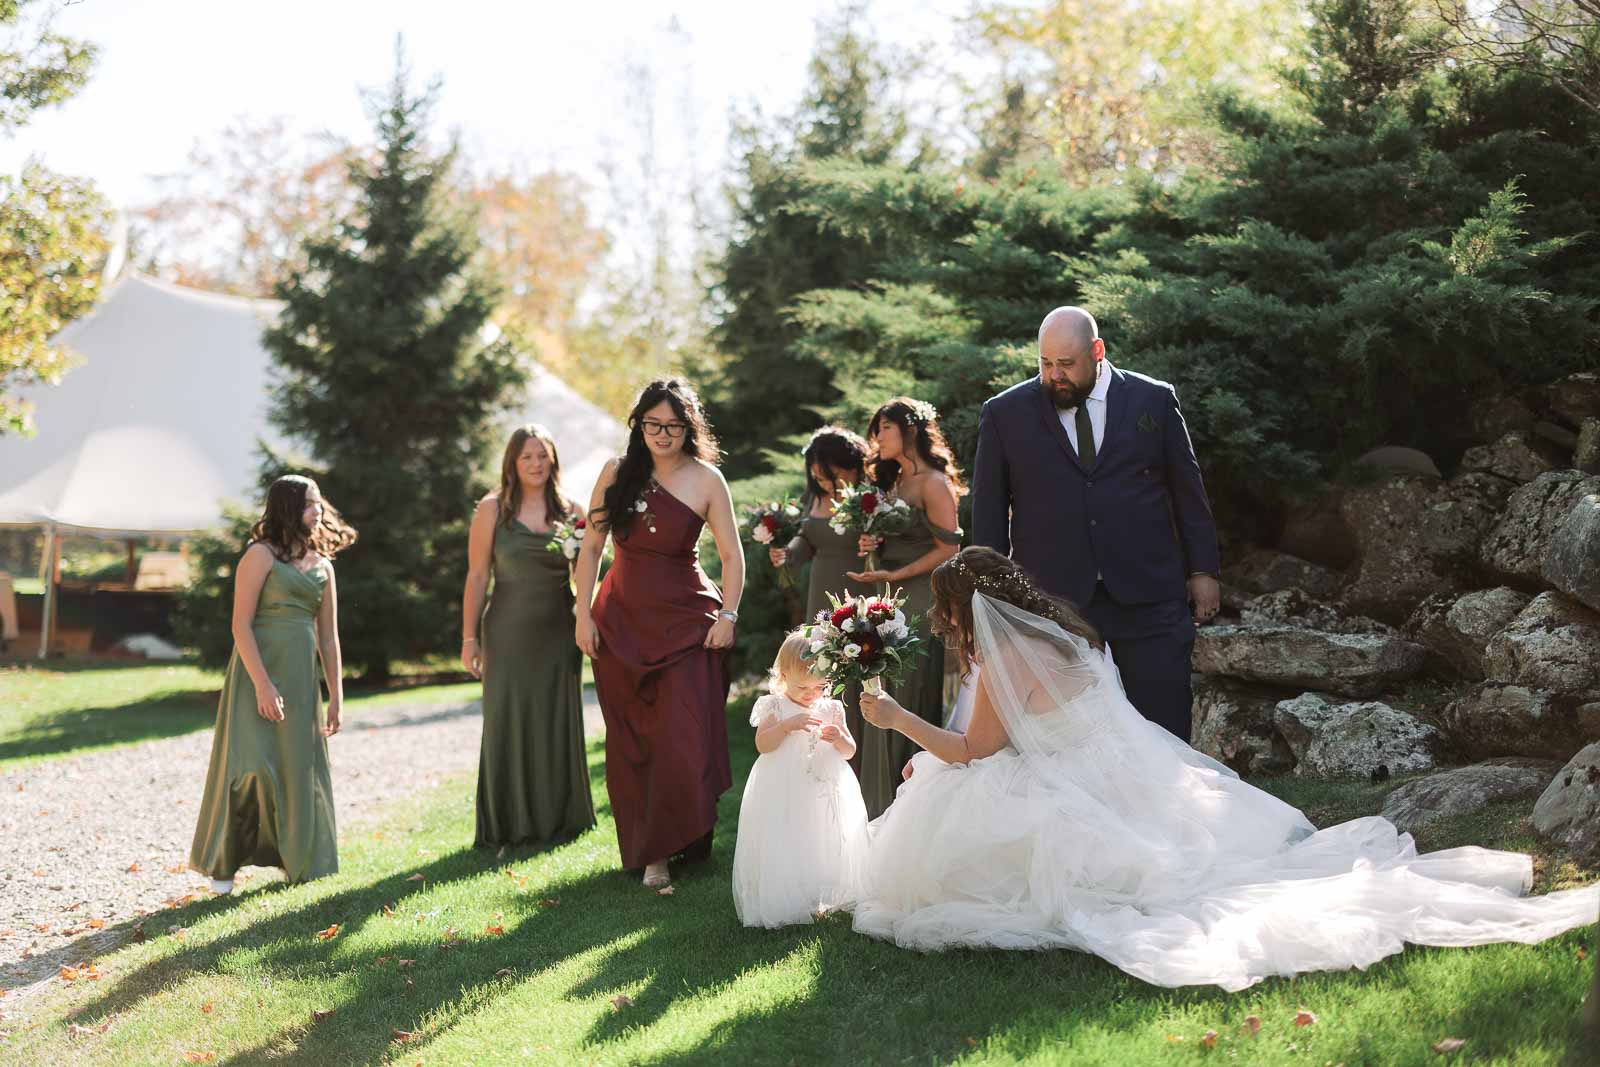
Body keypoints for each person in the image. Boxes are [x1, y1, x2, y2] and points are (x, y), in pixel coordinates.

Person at [853, 547, 1600, 991]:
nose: (945, 626)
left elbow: (977, 749)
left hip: (1074, 784)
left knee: (954, 798)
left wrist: (898, 721)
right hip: (1123, 768)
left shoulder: (1008, 652)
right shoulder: (1063, 630)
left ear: (970, 608)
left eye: (948, 615)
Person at [971, 306, 1220, 740]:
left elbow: (1188, 491)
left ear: (1098, 351)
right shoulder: (1004, 413)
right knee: (1074, 739)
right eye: (1045, 364)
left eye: (1066, 364)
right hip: (1055, 605)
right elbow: (988, 516)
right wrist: (990, 604)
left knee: (1163, 727)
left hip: (1149, 596)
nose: (1055, 376)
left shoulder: (1154, 400)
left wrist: (1203, 571)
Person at [574, 378, 743, 890]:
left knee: (683, 737)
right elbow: (591, 549)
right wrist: (582, 613)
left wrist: (728, 616)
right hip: (621, 623)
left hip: (688, 624)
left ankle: (681, 842)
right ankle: (654, 851)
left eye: (672, 425)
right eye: (652, 425)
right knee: (635, 742)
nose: (662, 434)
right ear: (638, 426)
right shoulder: (617, 473)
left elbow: (733, 556)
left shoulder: (708, 479)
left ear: (689, 427)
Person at [190, 475, 356, 893]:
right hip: (255, 673)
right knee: (249, 767)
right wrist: (263, 685)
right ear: (286, 508)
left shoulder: (323, 567)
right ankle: (224, 867)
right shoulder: (260, 556)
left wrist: (336, 695)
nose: (317, 512)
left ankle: (298, 861)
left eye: (319, 503)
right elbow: (240, 625)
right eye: (308, 505)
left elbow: (329, 637)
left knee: (296, 767)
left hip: (301, 679)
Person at [461, 424, 595, 852]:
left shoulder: (572, 510)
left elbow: (584, 576)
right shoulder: (491, 509)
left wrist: (586, 618)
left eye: (543, 455)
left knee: (556, 719)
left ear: (553, 458)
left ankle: (562, 818)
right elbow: (478, 574)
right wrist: (468, 638)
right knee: (508, 721)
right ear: (512, 463)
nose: (536, 464)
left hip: (558, 632)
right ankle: (508, 824)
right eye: (527, 457)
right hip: (506, 632)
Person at [845, 398, 962, 818]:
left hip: (918, 600)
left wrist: (898, 575)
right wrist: (872, 544)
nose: (877, 438)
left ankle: (908, 814)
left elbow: (951, 549)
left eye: (885, 429)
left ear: (910, 431)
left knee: (907, 700)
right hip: (886, 599)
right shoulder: (891, 484)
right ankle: (875, 810)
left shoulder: (933, 482)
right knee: (878, 697)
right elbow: (890, 537)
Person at [732, 630, 867, 928]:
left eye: (819, 686)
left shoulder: (831, 708)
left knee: (820, 837)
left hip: (821, 789)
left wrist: (838, 738)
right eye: (802, 686)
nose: (811, 694)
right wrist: (787, 726)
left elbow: (849, 751)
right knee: (788, 838)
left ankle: (821, 894)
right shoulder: (776, 706)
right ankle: (785, 896)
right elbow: (762, 745)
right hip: (784, 790)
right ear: (783, 676)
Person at [767, 425, 874, 773]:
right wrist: (788, 554)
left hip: (859, 593)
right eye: (817, 476)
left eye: (831, 474)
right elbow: (806, 538)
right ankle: (814, 750)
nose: (826, 482)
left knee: (859, 669)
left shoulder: (870, 496)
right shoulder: (815, 497)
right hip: (821, 594)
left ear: (852, 464)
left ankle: (857, 756)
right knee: (823, 668)